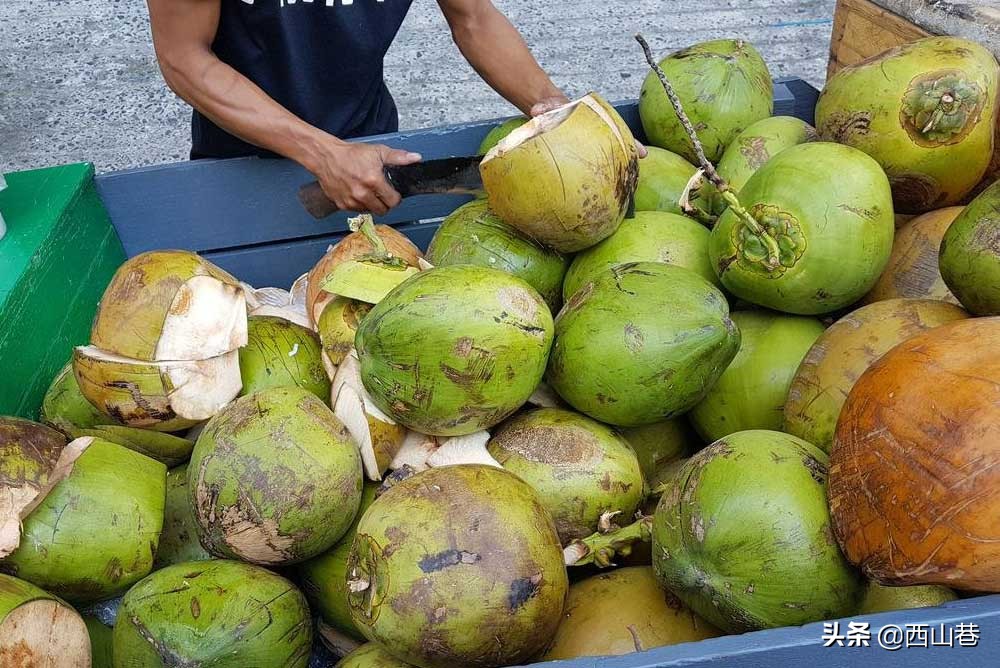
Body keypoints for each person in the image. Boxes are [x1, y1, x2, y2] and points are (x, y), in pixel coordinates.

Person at [146, 0, 572, 215]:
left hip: (374, 158)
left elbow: (474, 17)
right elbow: (184, 58)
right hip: (239, 164)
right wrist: (324, 154)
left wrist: (551, 110)